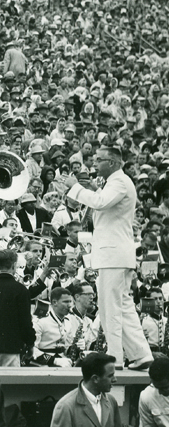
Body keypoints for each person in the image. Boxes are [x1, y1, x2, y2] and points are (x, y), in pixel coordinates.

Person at [64, 146, 153, 370]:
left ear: (112, 163)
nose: (95, 163)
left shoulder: (120, 181)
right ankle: (141, 354)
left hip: (114, 255)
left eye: (100, 160)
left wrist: (75, 187)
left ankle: (115, 358)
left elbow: (101, 203)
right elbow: (103, 203)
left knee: (109, 308)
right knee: (123, 306)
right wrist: (93, 189)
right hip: (116, 254)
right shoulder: (116, 182)